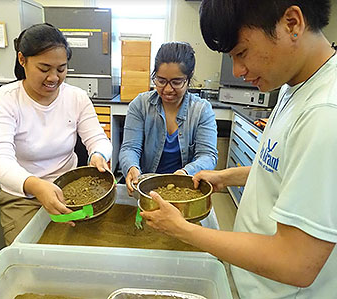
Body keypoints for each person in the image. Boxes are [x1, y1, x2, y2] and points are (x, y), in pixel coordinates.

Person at [140, 1, 337, 298]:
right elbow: (287, 170)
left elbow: (297, 263)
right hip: (255, 281)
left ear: (292, 23)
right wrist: (228, 176)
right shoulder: (293, 86)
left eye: (241, 53)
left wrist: (183, 229)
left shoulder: (325, 113)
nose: (238, 70)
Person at [0, 23, 112, 245]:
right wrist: (35, 185)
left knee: (80, 254)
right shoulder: (3, 100)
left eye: (61, 69)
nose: (53, 77)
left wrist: (98, 154)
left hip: (71, 192)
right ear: (22, 60)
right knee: (29, 262)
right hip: (23, 197)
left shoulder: (77, 97)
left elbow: (98, 139)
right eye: (44, 69)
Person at [119, 42, 218, 195]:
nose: (167, 89)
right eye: (161, 81)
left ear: (189, 78)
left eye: (176, 82)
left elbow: (208, 155)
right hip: (147, 188)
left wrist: (185, 172)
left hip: (186, 188)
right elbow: (130, 148)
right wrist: (132, 167)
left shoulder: (201, 110)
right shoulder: (140, 105)